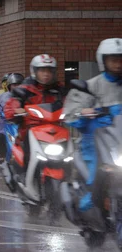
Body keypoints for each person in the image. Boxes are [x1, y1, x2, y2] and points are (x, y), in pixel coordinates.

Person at [63, 38, 122, 214]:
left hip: (119, 137)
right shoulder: (90, 86)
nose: (118, 64)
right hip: (96, 139)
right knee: (95, 171)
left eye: (121, 60)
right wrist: (84, 113)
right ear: (103, 61)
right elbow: (72, 114)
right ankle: (89, 198)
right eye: (114, 60)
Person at [4, 54, 67, 170]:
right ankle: (25, 170)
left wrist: (78, 110)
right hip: (31, 128)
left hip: (55, 128)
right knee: (27, 147)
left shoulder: (60, 89)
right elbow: (11, 105)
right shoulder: (25, 89)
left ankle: (70, 175)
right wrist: (15, 110)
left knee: (69, 152)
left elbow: (71, 103)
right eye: (42, 71)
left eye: (49, 71)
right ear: (35, 71)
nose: (46, 74)